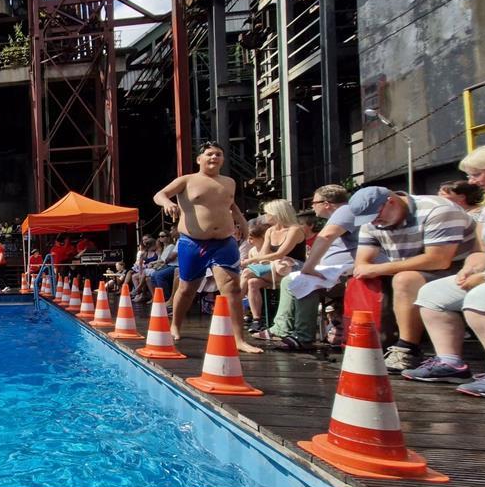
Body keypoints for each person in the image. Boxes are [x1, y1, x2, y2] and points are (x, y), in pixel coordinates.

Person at [402, 142, 485, 396]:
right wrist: (469, 268)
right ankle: (450, 362)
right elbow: (481, 250)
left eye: (477, 174)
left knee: (483, 297)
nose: (472, 181)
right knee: (433, 294)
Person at [350, 185, 477, 373]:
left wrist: (378, 269)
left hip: (462, 270)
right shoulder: (373, 222)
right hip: (419, 270)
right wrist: (372, 269)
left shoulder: (437, 210)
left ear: (391, 201)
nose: (375, 223)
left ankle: (407, 348)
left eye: (376, 217)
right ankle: (376, 339)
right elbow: (362, 264)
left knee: (404, 280)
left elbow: (439, 260)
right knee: (372, 279)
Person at [152, 141, 260, 353]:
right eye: (209, 154)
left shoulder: (229, 182)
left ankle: (239, 338)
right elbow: (159, 194)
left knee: (233, 288)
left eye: (218, 154)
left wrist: (242, 221)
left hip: (224, 242)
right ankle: (175, 325)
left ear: (222, 159)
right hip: (193, 242)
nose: (214, 158)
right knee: (187, 289)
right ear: (199, 159)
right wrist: (167, 203)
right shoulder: (187, 180)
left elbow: (231, 204)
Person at [258, 185, 357, 350]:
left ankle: (302, 336)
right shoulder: (339, 215)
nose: (312, 206)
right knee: (292, 280)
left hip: (343, 272)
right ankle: (284, 328)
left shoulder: (344, 212)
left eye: (314, 202)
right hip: (335, 271)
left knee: (301, 280)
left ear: (327, 203)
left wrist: (309, 268)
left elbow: (326, 237)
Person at [240, 199, 306, 334]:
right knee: (252, 282)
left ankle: (233, 306)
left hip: (292, 268)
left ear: (277, 213)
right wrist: (262, 257)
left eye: (267, 213)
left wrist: (253, 259)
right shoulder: (270, 231)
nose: (265, 216)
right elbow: (265, 255)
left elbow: (281, 253)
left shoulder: (295, 230)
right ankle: (257, 319)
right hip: (274, 268)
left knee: (247, 273)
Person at [150, 230, 179, 297]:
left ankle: (166, 297)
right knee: (153, 275)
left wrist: (153, 263)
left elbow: (166, 260)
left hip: (173, 266)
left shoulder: (171, 246)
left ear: (168, 237)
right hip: (167, 265)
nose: (160, 238)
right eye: (159, 236)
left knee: (159, 275)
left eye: (162, 236)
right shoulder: (163, 248)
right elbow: (162, 259)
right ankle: (157, 296)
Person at [130, 235, 159, 302]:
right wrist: (140, 273)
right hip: (145, 271)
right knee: (135, 276)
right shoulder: (144, 253)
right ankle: (140, 294)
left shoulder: (156, 252)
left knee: (146, 278)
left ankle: (138, 290)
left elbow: (160, 260)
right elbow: (140, 264)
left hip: (153, 269)